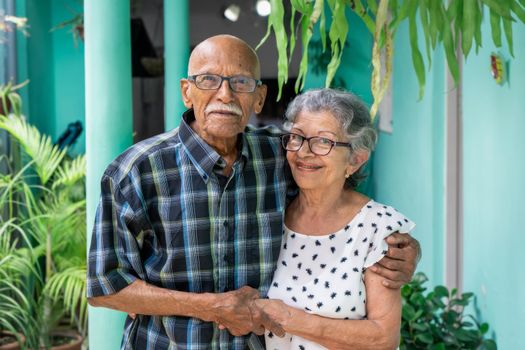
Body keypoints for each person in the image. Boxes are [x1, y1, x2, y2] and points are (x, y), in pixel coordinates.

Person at [87, 35, 420, 349]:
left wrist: (402, 250)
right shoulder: (136, 171)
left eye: (241, 83)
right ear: (186, 91)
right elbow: (106, 288)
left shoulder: (283, 154)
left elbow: (338, 200)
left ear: (259, 97)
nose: (225, 95)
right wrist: (212, 307)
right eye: (208, 80)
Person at [255, 88, 414, 349]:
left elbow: (383, 338)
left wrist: (291, 319)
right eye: (297, 137)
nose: (304, 152)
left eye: (323, 141)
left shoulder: (376, 228)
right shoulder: (272, 214)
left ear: (355, 160)